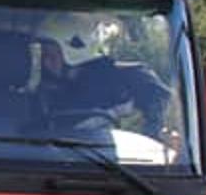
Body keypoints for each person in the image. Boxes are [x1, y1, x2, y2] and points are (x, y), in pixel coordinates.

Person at [32, 35, 172, 138]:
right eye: (44, 56)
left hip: (130, 169)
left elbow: (170, 117)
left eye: (53, 56)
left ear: (74, 51)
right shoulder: (44, 97)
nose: (46, 64)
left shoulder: (132, 78)